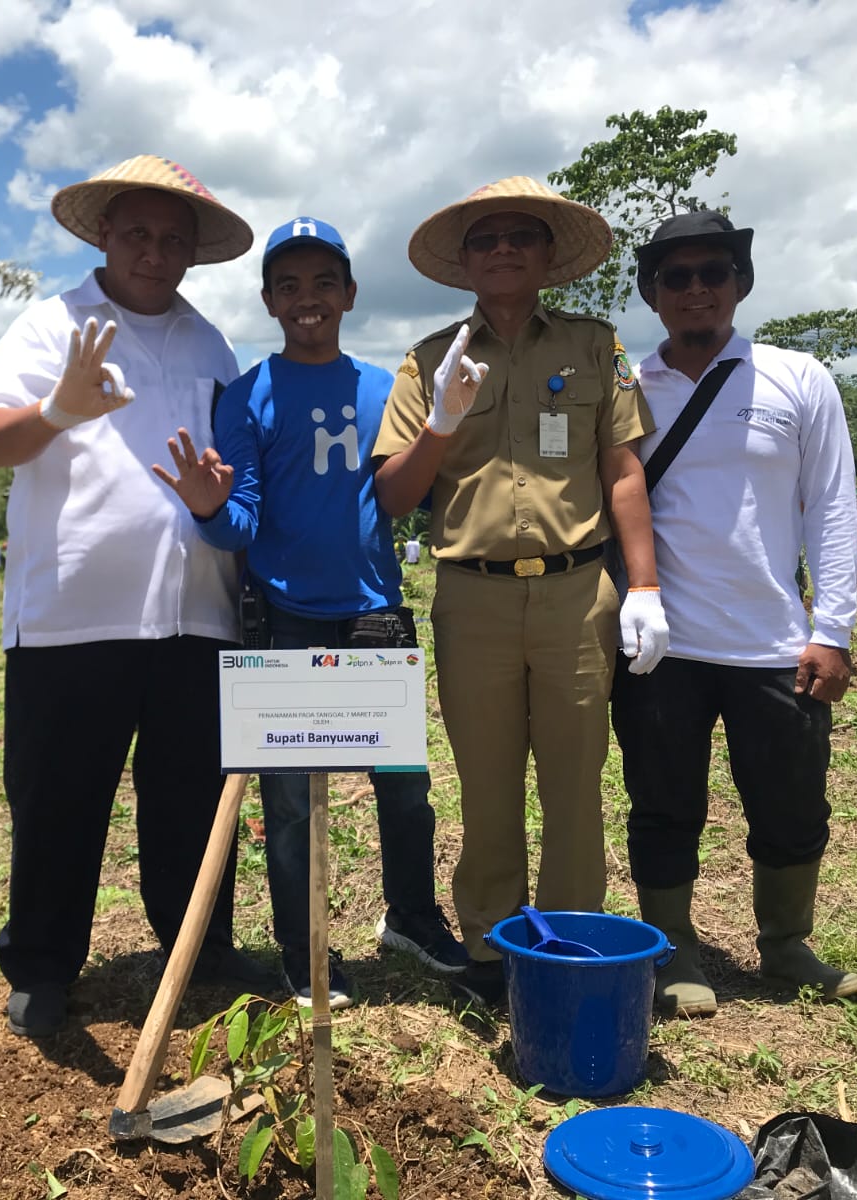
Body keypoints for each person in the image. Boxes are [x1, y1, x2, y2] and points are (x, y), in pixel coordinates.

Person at [0, 154, 274, 1038]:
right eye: (137, 233)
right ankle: (43, 965)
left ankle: (199, 949)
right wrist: (60, 409)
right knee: (60, 797)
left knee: (188, 795)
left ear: (191, 253)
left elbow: (230, 469)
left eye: (173, 239)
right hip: (72, 617)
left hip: (195, 612)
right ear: (103, 235)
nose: (154, 251)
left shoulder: (209, 343)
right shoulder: (50, 324)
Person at [154, 216, 470, 1010]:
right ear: (268, 300)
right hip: (285, 616)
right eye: (289, 286)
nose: (308, 299)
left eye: (323, 283)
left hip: (373, 608)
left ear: (350, 294)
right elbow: (242, 521)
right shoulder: (249, 394)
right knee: (288, 799)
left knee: (405, 784)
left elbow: (407, 497)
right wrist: (206, 507)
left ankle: (412, 918)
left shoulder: (386, 389)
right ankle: (303, 953)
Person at [372, 177, 668, 1008]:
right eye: (485, 239)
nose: (503, 249)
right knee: (487, 781)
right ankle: (493, 948)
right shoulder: (429, 360)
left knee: (576, 781)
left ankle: (573, 945)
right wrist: (440, 422)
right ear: (464, 261)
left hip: (578, 593)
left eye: (520, 236)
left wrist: (642, 585)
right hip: (473, 598)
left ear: (547, 257)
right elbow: (394, 497)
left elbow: (623, 473)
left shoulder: (593, 346)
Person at [608, 211, 857, 1018]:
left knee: (791, 803)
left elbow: (828, 507)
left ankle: (786, 944)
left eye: (711, 272)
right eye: (674, 277)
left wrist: (834, 630)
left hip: (774, 642)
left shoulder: (798, 378)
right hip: (664, 645)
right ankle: (675, 947)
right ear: (652, 295)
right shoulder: (631, 391)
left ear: (739, 283)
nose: (694, 289)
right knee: (663, 802)